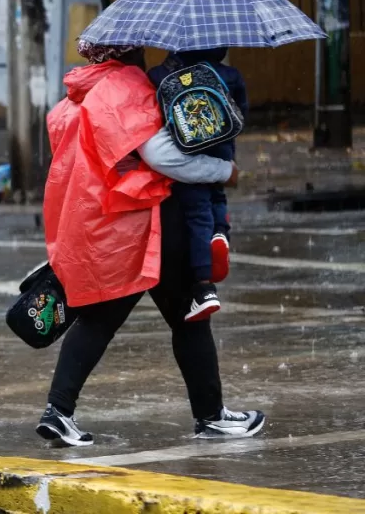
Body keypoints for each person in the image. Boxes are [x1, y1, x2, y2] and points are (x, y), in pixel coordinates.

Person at [36, 41, 265, 447]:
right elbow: (161, 156)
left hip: (100, 221)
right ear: (131, 50)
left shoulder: (79, 93)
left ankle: (58, 411)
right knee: (188, 316)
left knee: (102, 319)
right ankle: (210, 416)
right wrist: (222, 170)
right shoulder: (125, 87)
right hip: (139, 223)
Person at [148, 48, 249, 321]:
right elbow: (241, 115)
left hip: (188, 153)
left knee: (196, 215)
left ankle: (204, 286)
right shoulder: (230, 75)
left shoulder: (162, 75)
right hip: (222, 151)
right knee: (217, 199)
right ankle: (221, 234)